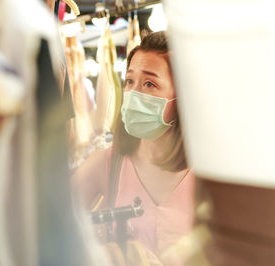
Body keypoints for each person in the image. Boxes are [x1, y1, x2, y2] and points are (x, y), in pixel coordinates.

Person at [72, 31, 195, 264]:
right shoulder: (107, 164)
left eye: (150, 83)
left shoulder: (209, 177)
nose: (133, 93)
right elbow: (49, 224)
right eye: (129, 81)